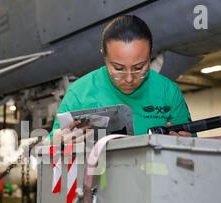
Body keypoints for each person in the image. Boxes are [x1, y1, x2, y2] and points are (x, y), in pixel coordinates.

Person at [51, 15, 194, 145]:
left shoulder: (168, 91)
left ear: (150, 55)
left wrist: (186, 143)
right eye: (118, 68)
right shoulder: (79, 93)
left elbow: (193, 145)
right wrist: (59, 141)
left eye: (139, 67)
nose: (129, 79)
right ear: (104, 56)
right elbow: (51, 146)